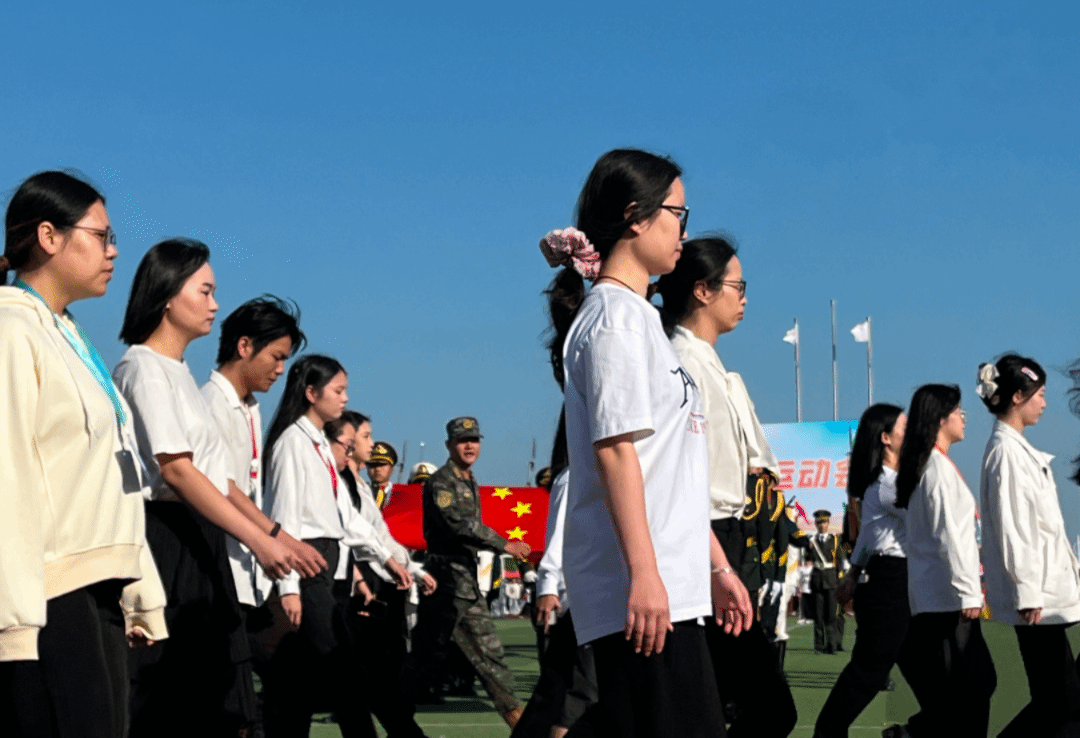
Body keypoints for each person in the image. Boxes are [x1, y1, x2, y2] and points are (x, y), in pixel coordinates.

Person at [541, 148, 752, 738]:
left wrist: (715, 566)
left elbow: (671, 471)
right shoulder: (614, 319)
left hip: (671, 582)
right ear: (636, 217)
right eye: (678, 214)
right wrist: (644, 573)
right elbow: (615, 450)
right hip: (643, 589)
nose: (684, 231)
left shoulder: (639, 318)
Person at [0, 170, 167, 738]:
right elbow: (9, 476)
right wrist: (15, 624)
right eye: (101, 235)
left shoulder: (68, 333)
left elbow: (111, 478)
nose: (113, 251)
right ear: (49, 236)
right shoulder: (12, 328)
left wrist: (140, 592)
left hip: (100, 590)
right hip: (49, 596)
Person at [113, 239, 298, 737]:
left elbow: (218, 479)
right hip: (170, 541)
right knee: (173, 700)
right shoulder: (143, 367)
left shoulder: (177, 372)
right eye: (205, 290)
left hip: (201, 540)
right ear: (167, 294)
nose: (215, 304)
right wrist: (258, 540)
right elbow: (177, 470)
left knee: (217, 698)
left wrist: (274, 535)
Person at [654, 234, 796, 736]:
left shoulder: (707, 363)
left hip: (720, 538)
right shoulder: (684, 364)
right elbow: (681, 479)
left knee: (716, 706)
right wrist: (717, 566)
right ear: (702, 290)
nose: (745, 298)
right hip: (704, 539)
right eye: (738, 286)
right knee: (767, 708)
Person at [200, 296, 327, 731]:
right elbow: (223, 487)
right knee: (233, 704)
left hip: (253, 574)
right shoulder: (211, 404)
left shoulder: (250, 407)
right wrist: (277, 538)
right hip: (223, 573)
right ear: (244, 346)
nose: (280, 369)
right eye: (276, 357)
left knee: (291, 684)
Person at [261, 354, 387, 738]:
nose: (345, 398)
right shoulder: (292, 443)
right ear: (311, 393)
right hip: (305, 562)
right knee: (343, 669)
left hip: (327, 561)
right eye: (338, 390)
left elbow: (344, 517)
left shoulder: (318, 443)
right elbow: (282, 517)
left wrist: (390, 558)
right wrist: (288, 587)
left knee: (302, 677)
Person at [977, 356, 1080, 737]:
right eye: (1040, 394)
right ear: (1018, 396)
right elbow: (1014, 528)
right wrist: (1027, 591)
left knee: (1056, 703)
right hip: (1037, 602)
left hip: (1041, 596)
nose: (1045, 403)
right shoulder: (1007, 452)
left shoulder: (1014, 448)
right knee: (1061, 705)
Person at [409, 416, 530, 727]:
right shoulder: (442, 482)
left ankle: (371, 702)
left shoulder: (467, 479)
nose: (469, 446)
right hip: (449, 579)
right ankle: (517, 719)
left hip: (458, 576)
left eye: (474, 440)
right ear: (449, 445)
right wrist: (505, 544)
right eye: (463, 440)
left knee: (427, 654)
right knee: (485, 651)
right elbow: (460, 524)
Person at [892, 384, 996, 738]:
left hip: (938, 598)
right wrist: (969, 593)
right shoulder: (936, 469)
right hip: (948, 600)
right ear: (940, 419)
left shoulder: (930, 466)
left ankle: (914, 732)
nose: (963, 418)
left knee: (964, 689)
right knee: (972, 687)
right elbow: (952, 537)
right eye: (958, 411)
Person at [813, 404, 922, 738]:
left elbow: (867, 538)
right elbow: (927, 520)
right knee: (870, 670)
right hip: (891, 581)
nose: (912, 432)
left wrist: (852, 574)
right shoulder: (887, 484)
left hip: (900, 580)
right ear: (886, 438)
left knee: (926, 671)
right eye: (905, 427)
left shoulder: (887, 483)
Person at [325, 411, 434, 738]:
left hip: (377, 584)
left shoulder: (357, 484)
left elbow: (380, 534)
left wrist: (411, 568)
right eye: (366, 436)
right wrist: (377, 569)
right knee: (366, 674)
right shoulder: (343, 481)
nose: (371, 444)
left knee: (379, 672)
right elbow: (351, 534)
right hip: (356, 585)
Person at [513, 411, 599, 738]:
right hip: (579, 603)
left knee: (563, 693)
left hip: (600, 603)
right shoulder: (574, 476)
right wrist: (548, 587)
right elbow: (557, 540)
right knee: (578, 695)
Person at [801, 510, 846, 654]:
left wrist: (841, 580)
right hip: (817, 580)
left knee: (831, 615)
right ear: (815, 524)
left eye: (824, 522)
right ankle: (819, 646)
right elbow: (807, 560)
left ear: (828, 523)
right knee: (818, 615)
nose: (822, 525)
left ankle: (831, 645)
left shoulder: (835, 541)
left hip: (831, 581)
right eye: (819, 523)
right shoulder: (811, 541)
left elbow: (840, 560)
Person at [367, 441, 398, 509]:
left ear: (392, 469)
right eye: (372, 465)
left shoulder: (399, 494)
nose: (377, 469)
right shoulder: (359, 491)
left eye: (382, 464)